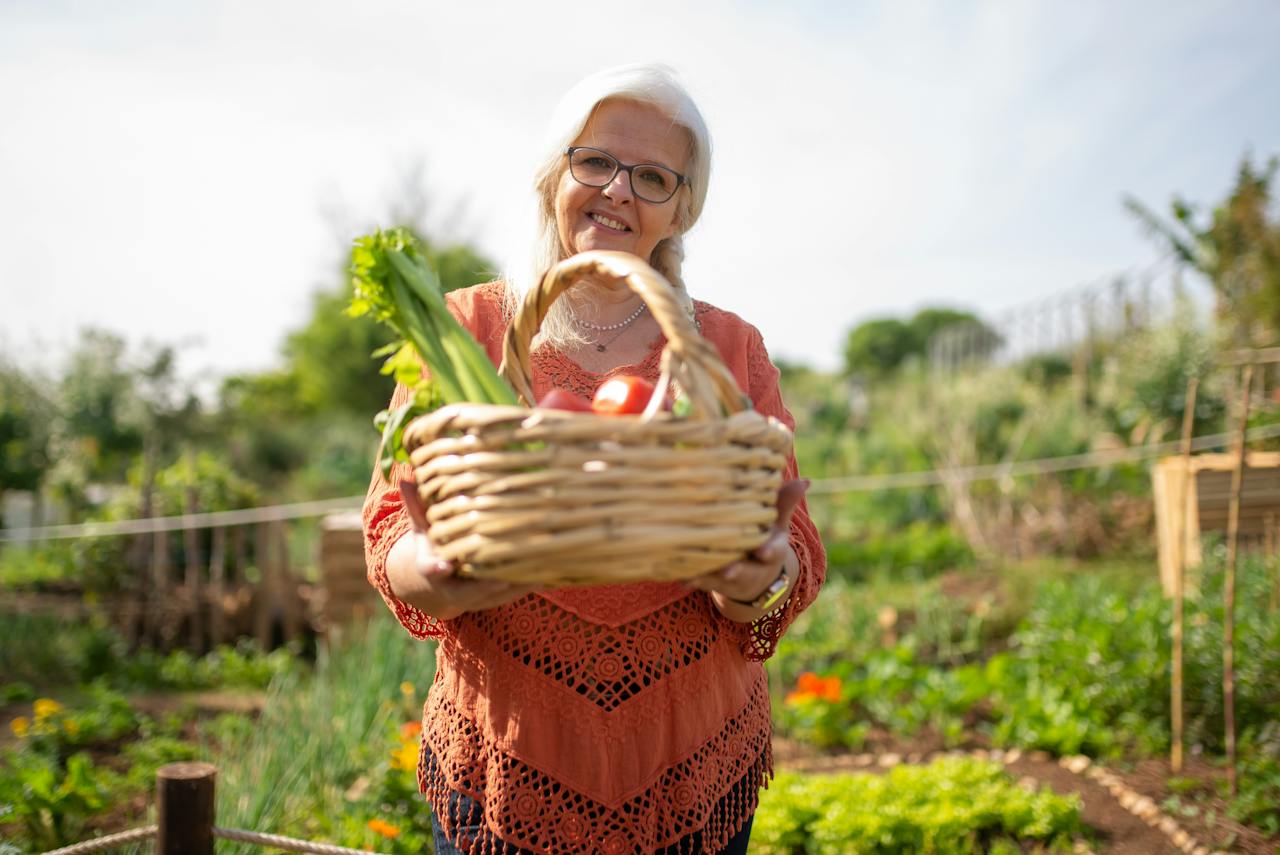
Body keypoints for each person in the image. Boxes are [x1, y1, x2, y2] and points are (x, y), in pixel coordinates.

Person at [363, 63, 826, 855]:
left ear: (684, 205)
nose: (618, 190)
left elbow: (796, 552)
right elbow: (387, 524)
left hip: (691, 757)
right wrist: (430, 567)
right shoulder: (462, 328)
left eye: (652, 176)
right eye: (597, 161)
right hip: (504, 751)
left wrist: (754, 584)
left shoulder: (728, 347)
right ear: (555, 173)